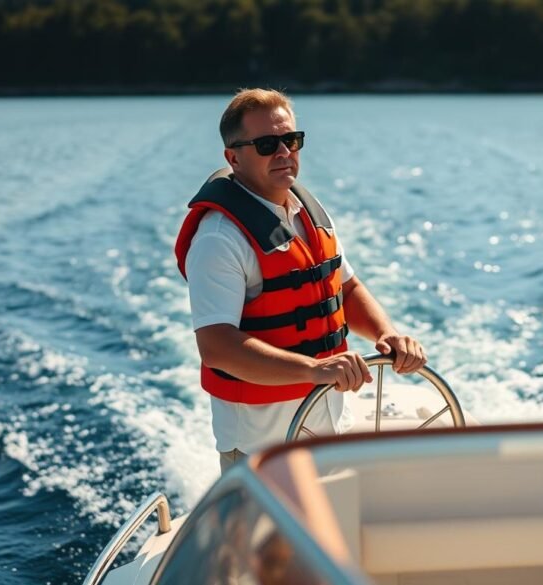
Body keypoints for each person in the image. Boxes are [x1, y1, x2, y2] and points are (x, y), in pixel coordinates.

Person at [175, 89, 426, 473]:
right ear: (233, 158)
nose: (283, 152)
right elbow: (217, 348)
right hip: (262, 452)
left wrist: (385, 333)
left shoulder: (308, 213)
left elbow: (346, 288)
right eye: (265, 144)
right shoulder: (218, 240)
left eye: (291, 140)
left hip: (331, 428)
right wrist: (313, 369)